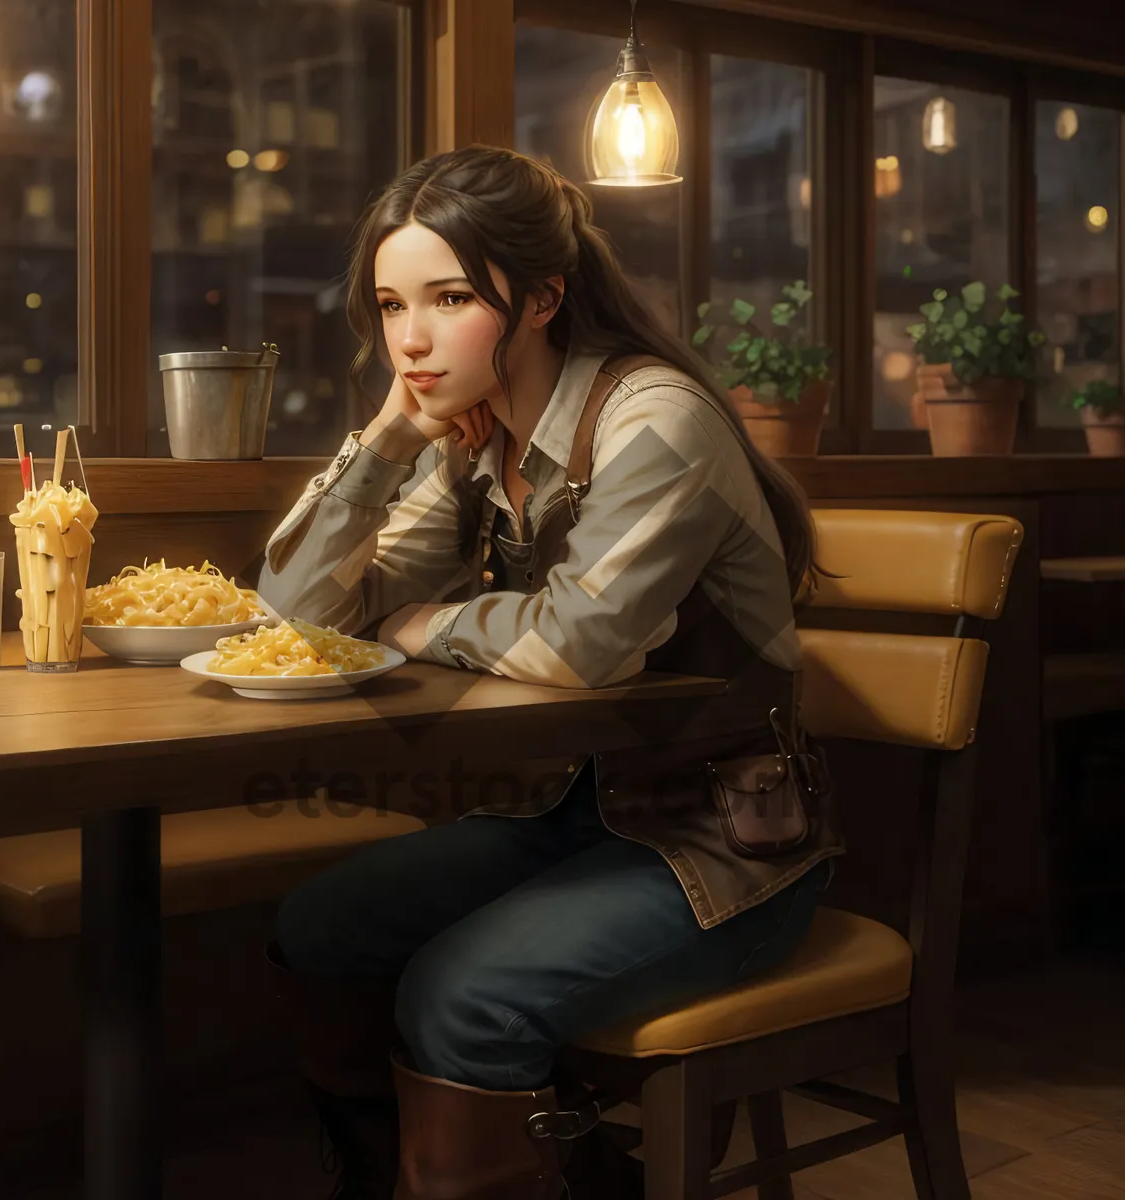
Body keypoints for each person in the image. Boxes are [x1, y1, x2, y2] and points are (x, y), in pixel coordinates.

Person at [257, 144, 844, 1200]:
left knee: (459, 993)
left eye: (447, 298)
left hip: (726, 846)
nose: (414, 339)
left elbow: (577, 647)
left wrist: (426, 617)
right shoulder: (471, 434)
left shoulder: (654, 420)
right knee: (320, 927)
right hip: (566, 817)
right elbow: (301, 612)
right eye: (392, 306)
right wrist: (391, 433)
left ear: (539, 298)